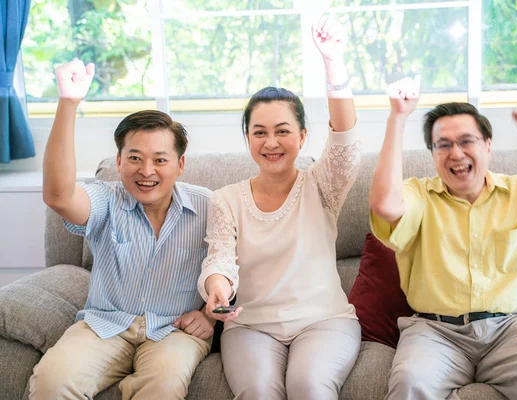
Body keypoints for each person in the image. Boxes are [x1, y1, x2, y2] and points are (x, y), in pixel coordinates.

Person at [369, 76, 517, 399]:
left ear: (488, 146)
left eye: (467, 141)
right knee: (409, 384)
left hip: (512, 329)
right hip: (435, 332)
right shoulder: (418, 195)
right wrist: (397, 117)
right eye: (443, 145)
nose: (456, 153)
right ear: (433, 154)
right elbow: (383, 204)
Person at [196, 16, 362, 400]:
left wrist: (333, 65)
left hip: (324, 322)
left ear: (302, 136)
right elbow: (219, 260)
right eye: (260, 132)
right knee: (256, 392)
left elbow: (346, 142)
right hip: (251, 326)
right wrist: (217, 290)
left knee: (309, 387)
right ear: (247, 138)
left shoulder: (323, 184)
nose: (271, 142)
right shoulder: (225, 198)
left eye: (283, 131)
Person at [29, 59, 214, 400]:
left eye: (160, 159)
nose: (147, 171)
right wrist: (68, 103)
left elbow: (236, 268)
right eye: (134, 158)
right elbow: (58, 196)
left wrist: (210, 318)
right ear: (118, 162)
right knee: (51, 383)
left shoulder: (209, 206)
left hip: (174, 331)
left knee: (163, 385)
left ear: (180, 165)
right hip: (104, 326)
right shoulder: (106, 198)